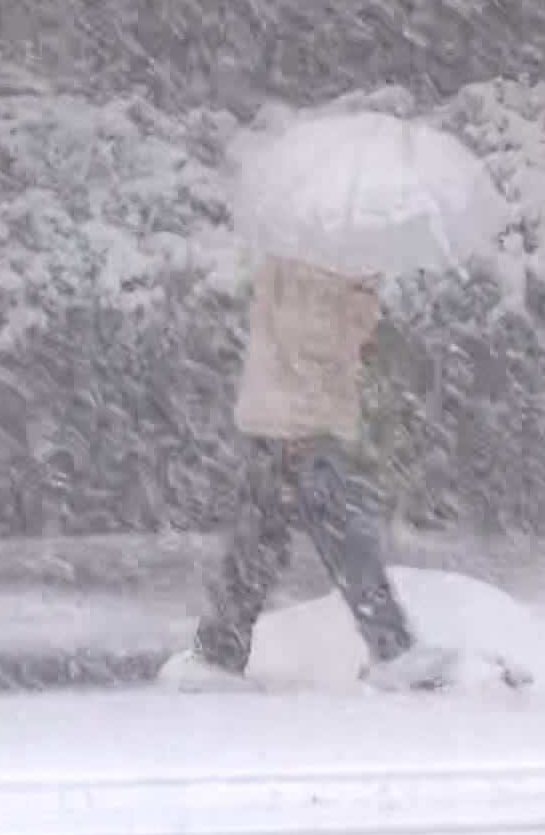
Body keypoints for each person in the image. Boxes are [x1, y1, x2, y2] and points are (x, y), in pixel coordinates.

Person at [163, 250, 435, 687]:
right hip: (299, 425)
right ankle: (393, 649)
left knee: (260, 544)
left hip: (278, 420)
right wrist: (360, 307)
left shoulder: (302, 251)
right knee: (344, 541)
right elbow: (310, 343)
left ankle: (216, 656)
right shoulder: (322, 257)